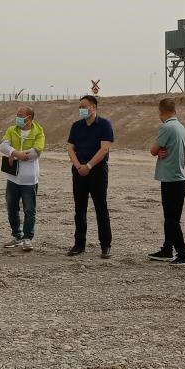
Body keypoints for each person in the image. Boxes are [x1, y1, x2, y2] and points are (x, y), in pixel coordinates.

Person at [65, 95, 114, 258]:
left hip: (97, 171)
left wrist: (89, 166)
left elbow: (104, 148)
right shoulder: (76, 126)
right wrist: (79, 166)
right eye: (79, 107)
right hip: (79, 171)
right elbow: (70, 148)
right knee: (79, 209)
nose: (81, 110)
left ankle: (105, 245)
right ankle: (79, 244)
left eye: (84, 107)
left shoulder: (105, 124)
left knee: (101, 208)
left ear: (93, 107)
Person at [147, 98, 185, 265]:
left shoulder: (167, 127)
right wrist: (160, 151)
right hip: (179, 177)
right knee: (172, 218)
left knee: (171, 219)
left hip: (170, 178)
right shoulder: (180, 126)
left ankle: (182, 254)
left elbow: (153, 150)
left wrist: (157, 151)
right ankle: (167, 249)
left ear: (162, 112)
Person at [0, 105, 45, 250]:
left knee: (29, 210)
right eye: (17, 114)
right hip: (12, 178)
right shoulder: (12, 130)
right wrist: (16, 153)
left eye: (20, 115)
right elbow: (3, 146)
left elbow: (35, 153)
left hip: (29, 179)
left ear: (29, 117)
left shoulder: (39, 132)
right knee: (12, 208)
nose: (17, 117)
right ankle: (17, 236)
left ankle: (27, 238)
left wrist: (14, 155)